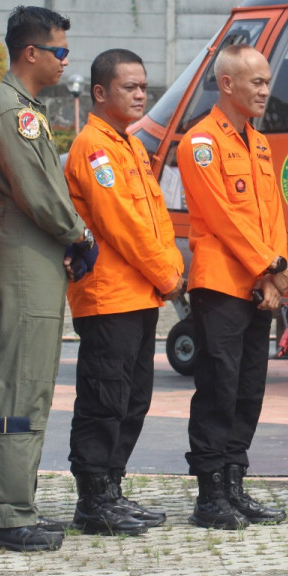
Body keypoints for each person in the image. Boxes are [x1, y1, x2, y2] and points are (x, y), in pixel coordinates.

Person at [0, 5, 100, 552]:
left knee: (35, 384)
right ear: (31, 52)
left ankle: (17, 504)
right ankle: (5, 514)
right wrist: (79, 234)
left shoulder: (25, 110)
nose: (65, 61)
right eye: (59, 51)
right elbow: (40, 193)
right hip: (25, 254)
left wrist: (69, 239)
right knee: (22, 383)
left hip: (36, 253)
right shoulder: (13, 112)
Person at [64, 49, 185, 536]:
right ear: (99, 93)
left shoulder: (130, 145)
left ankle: (111, 489)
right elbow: (123, 226)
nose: (141, 95)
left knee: (133, 398)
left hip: (139, 295)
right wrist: (169, 276)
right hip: (109, 297)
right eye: (129, 87)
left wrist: (171, 267)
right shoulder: (94, 148)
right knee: (104, 399)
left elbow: (157, 219)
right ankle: (93, 500)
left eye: (143, 87)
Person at [176, 43, 288, 530]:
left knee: (248, 390)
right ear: (227, 84)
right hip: (221, 285)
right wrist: (271, 264)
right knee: (218, 390)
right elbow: (223, 218)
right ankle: (209, 496)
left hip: (258, 286)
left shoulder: (259, 143)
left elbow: (272, 214)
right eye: (256, 82)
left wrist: (273, 275)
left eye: (267, 81)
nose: (266, 90)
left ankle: (233, 485)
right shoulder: (200, 142)